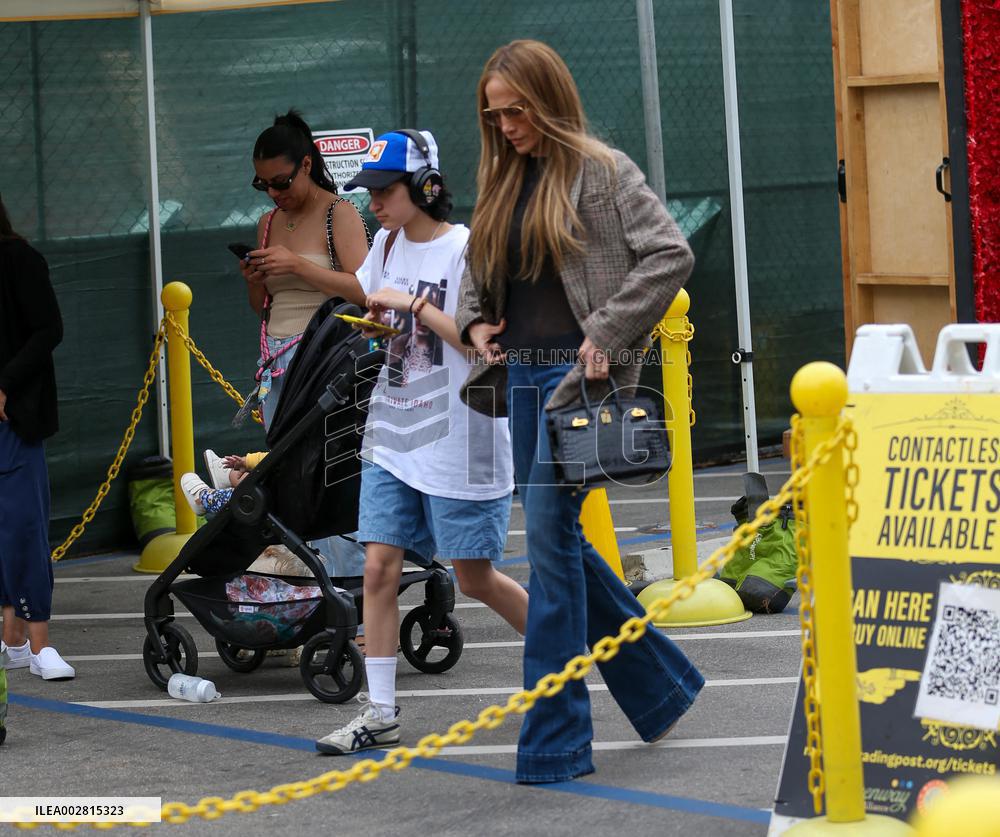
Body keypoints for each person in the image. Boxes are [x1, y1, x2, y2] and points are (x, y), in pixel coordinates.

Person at [454, 40, 704, 784]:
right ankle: (662, 687)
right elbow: (474, 274)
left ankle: (555, 740)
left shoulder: (603, 171)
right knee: (564, 546)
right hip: (520, 382)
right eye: (495, 114)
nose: (505, 126)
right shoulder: (501, 177)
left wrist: (607, 332)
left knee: (551, 556)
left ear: (547, 99)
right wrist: (474, 324)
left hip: (579, 384)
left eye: (517, 111)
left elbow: (670, 254)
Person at [314, 130, 529, 755]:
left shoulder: (466, 251)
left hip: (461, 434)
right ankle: (379, 712)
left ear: (426, 188)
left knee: (475, 577)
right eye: (370, 191)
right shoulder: (383, 243)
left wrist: (411, 305)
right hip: (397, 427)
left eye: (385, 190)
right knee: (378, 568)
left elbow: (481, 345)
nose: (374, 203)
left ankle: (561, 661)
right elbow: (385, 312)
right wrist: (383, 319)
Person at [239, 109, 370, 578]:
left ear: (307, 166)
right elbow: (265, 307)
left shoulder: (340, 213)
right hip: (278, 360)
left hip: (326, 358)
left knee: (331, 475)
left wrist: (298, 267)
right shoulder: (268, 223)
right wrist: (256, 279)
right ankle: (310, 584)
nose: (274, 193)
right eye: (263, 185)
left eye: (281, 182)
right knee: (291, 478)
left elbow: (365, 290)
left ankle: (350, 590)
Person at [0, 195, 74, 681]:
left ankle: (39, 640)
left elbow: (49, 328)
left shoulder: (19, 259)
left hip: (15, 417)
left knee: (24, 525)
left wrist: (6, 383)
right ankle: (11, 637)